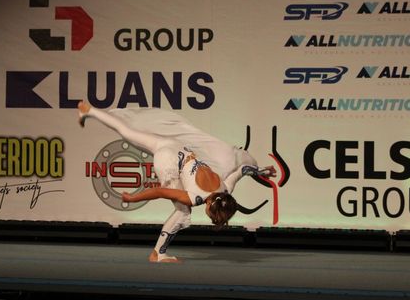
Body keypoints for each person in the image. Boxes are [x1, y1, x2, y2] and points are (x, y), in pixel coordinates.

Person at [78, 101, 276, 262]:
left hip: (174, 146)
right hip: (167, 161)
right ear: (209, 206)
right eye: (211, 217)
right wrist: (133, 198)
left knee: (126, 130)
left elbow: (243, 169)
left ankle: (90, 110)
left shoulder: (226, 187)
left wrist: (262, 172)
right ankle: (158, 254)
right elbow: (160, 192)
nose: (208, 217)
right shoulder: (195, 197)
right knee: (183, 213)